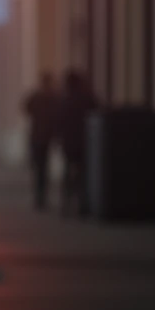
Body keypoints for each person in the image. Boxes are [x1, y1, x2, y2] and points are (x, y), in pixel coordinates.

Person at [57, 70, 97, 216]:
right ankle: (82, 204)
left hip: (69, 142)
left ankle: (66, 204)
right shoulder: (87, 98)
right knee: (82, 173)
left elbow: (58, 121)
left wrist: (59, 137)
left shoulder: (64, 100)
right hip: (84, 142)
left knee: (68, 171)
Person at [24, 72, 60, 210]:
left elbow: (26, 108)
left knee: (39, 167)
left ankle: (39, 196)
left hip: (37, 136)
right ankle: (41, 195)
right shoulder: (53, 98)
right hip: (45, 137)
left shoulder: (37, 97)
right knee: (42, 167)